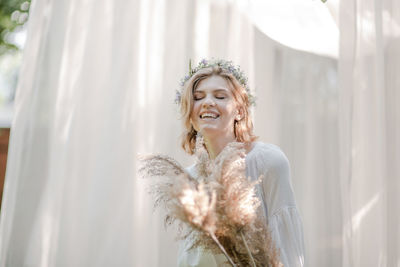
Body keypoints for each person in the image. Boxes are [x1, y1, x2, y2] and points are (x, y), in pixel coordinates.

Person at [175, 59, 305, 267]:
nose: (208, 102)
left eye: (220, 96)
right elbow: (189, 257)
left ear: (240, 111)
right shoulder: (188, 177)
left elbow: (286, 245)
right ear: (190, 114)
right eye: (198, 97)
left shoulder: (268, 161)